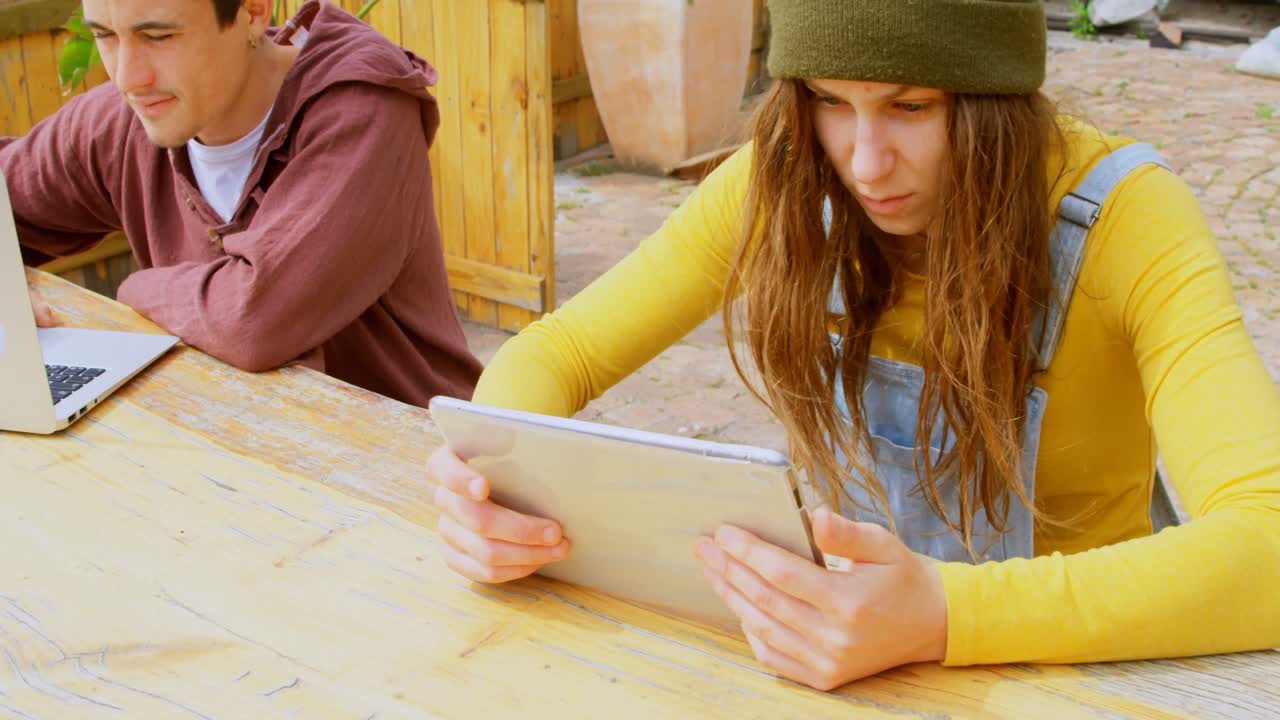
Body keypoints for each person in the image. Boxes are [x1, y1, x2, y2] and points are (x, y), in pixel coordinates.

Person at [429, 0, 1280, 690]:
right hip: (831, 671)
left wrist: (943, 614)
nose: (865, 162)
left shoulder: (1128, 220)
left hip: (1068, 678)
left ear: (996, 102)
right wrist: (494, 480)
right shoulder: (792, 175)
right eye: (831, 101)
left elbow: (1269, 544)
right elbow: (561, 352)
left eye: (912, 106)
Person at [5, 0, 482, 407]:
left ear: (253, 10)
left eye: (159, 35)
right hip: (229, 460)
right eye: (106, 36)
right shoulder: (123, 123)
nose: (129, 76)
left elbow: (254, 319)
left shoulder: (363, 109)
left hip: (415, 478)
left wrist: (135, 291)